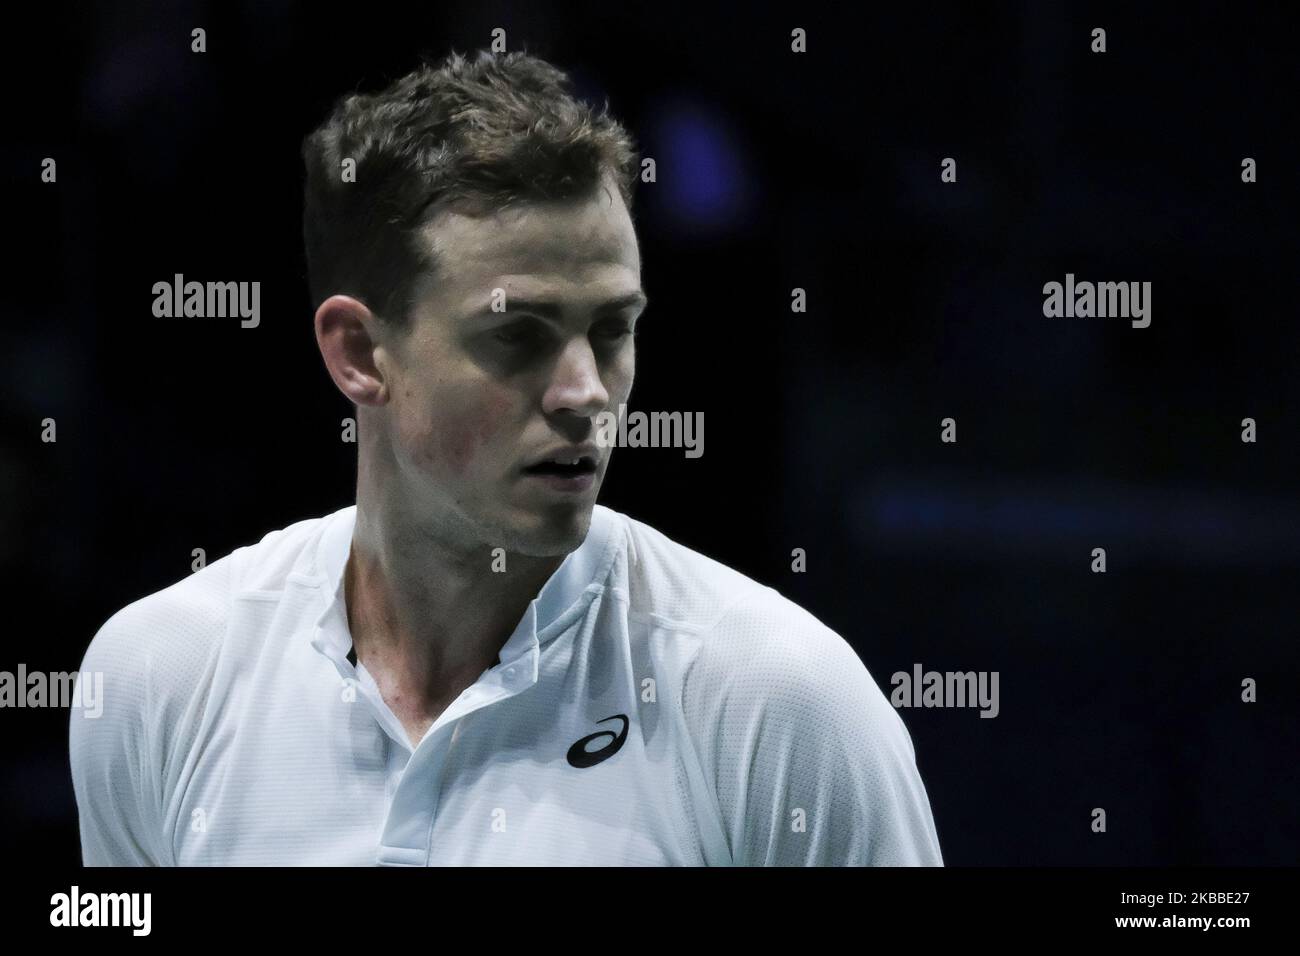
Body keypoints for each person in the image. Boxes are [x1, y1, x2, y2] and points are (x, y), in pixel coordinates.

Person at [70, 49, 943, 866]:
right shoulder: (160, 677)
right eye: (517, 335)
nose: (585, 393)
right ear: (360, 354)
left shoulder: (781, 701)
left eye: (612, 330)